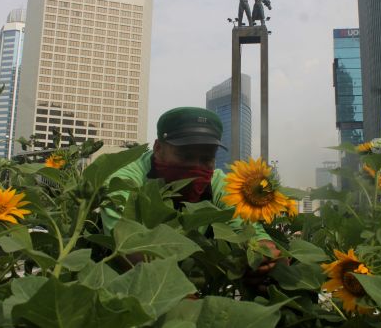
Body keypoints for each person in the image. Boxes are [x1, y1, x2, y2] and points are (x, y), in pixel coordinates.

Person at [102, 107, 281, 275]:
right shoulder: (125, 180)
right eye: (185, 156)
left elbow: (248, 231)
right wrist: (175, 292)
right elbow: (126, 243)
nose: (195, 167)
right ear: (158, 148)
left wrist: (264, 258)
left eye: (207, 159)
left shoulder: (220, 184)